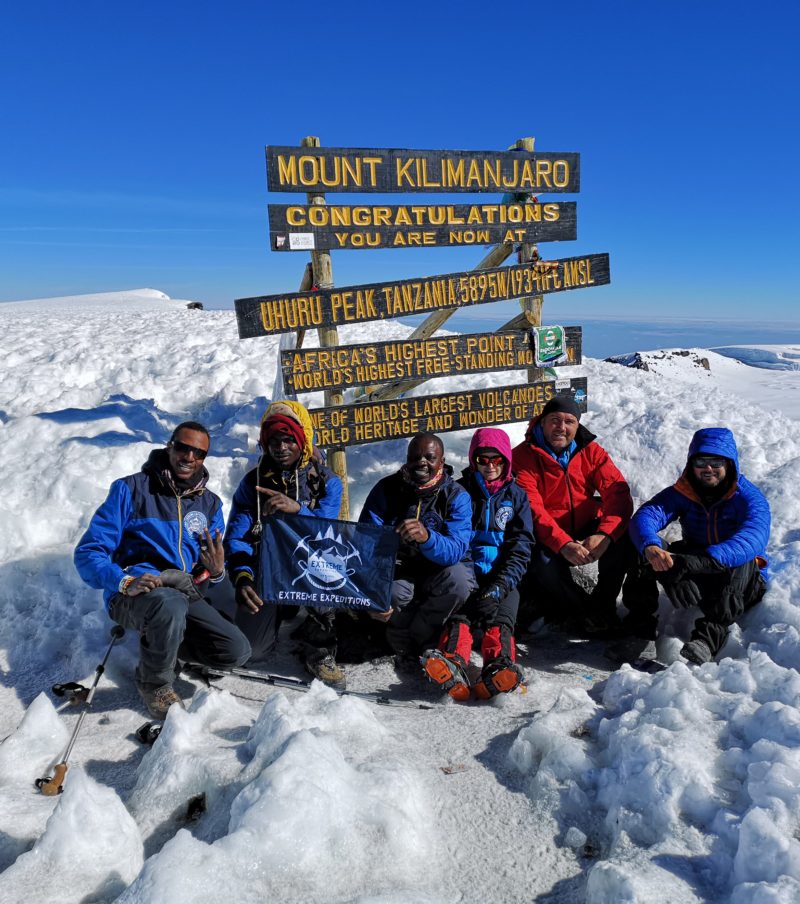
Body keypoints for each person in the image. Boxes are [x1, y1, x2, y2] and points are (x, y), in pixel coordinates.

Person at [74, 422, 251, 718]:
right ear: (170, 446)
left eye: (199, 453)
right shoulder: (131, 490)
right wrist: (123, 581)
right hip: (137, 591)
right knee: (168, 604)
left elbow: (211, 566)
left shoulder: (209, 504)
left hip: (184, 593)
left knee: (236, 651)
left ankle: (167, 647)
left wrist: (217, 572)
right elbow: (88, 553)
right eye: (183, 447)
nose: (189, 457)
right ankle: (154, 682)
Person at [608, 427, 770, 665]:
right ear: (691, 464)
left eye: (716, 462)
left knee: (745, 558)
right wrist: (657, 554)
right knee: (642, 546)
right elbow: (646, 516)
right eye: (701, 461)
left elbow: (753, 537)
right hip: (694, 567)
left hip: (738, 582)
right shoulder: (685, 491)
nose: (708, 469)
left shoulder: (748, 497)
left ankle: (708, 638)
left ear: (730, 464)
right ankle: (640, 630)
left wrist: (702, 560)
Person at [224, 400, 345, 688]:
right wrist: (242, 577)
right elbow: (237, 537)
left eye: (289, 439)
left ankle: (319, 645)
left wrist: (298, 510)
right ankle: (278, 613)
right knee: (253, 651)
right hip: (267, 568)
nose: (281, 447)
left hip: (311, 568)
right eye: (274, 440)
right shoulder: (252, 483)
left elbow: (327, 534)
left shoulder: (326, 482)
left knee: (327, 566)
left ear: (303, 439)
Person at [421, 428, 534, 700]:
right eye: (483, 460)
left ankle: (499, 668)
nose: (490, 466)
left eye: (497, 460)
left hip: (501, 577)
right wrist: (471, 579)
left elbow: (521, 547)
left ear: (506, 461)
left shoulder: (516, 497)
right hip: (469, 574)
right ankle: (452, 662)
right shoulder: (460, 491)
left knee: (501, 621)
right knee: (460, 617)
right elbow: (455, 539)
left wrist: (499, 586)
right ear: (474, 460)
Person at [512, 396, 639, 632]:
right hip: (546, 533)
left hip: (583, 522)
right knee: (541, 562)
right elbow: (533, 510)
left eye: (569, 421)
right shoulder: (522, 457)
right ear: (541, 423)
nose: (561, 427)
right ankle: (579, 609)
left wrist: (605, 535)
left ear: (577, 426)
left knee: (625, 538)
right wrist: (564, 545)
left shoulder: (591, 452)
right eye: (555, 420)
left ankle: (603, 606)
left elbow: (617, 492)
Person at [358, 433, 476, 676]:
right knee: (390, 593)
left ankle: (422, 638)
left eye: (430, 457)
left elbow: (455, 549)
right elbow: (365, 541)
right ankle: (398, 639)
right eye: (415, 457)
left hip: (441, 569)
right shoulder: (387, 489)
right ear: (407, 459)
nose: (421, 462)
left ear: (441, 462)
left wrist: (427, 538)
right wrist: (375, 591)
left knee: (460, 583)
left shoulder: (456, 495)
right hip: (401, 567)